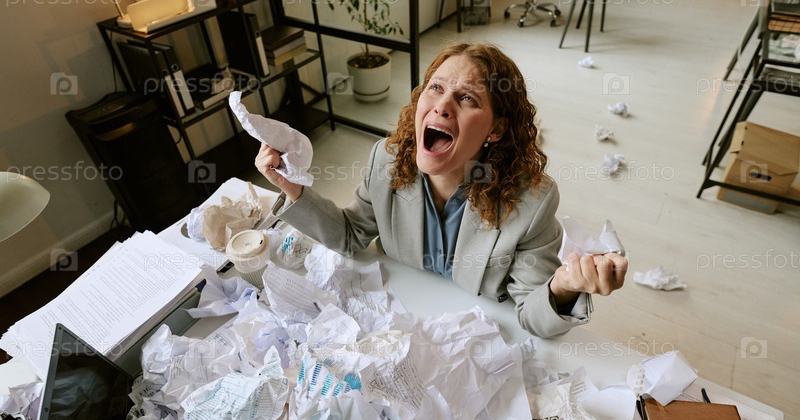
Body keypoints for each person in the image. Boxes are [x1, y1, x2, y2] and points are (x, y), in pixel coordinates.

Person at [255, 42, 627, 338]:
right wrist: (292, 187)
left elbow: (532, 316)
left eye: (467, 98)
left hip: (479, 334)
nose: (442, 106)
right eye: (435, 88)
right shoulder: (385, 161)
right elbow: (350, 235)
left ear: (496, 130)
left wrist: (564, 286)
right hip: (401, 317)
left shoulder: (532, 202)